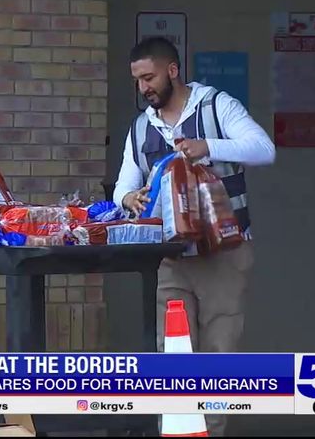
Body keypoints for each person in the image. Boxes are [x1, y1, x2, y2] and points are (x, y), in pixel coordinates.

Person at [114, 38, 276, 436]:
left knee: (219, 357)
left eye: (149, 77)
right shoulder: (141, 128)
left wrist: (208, 147)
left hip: (226, 251)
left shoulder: (217, 106)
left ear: (173, 70)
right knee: (173, 359)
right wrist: (128, 197)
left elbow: (264, 149)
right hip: (172, 258)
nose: (143, 88)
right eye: (137, 80)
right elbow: (122, 186)